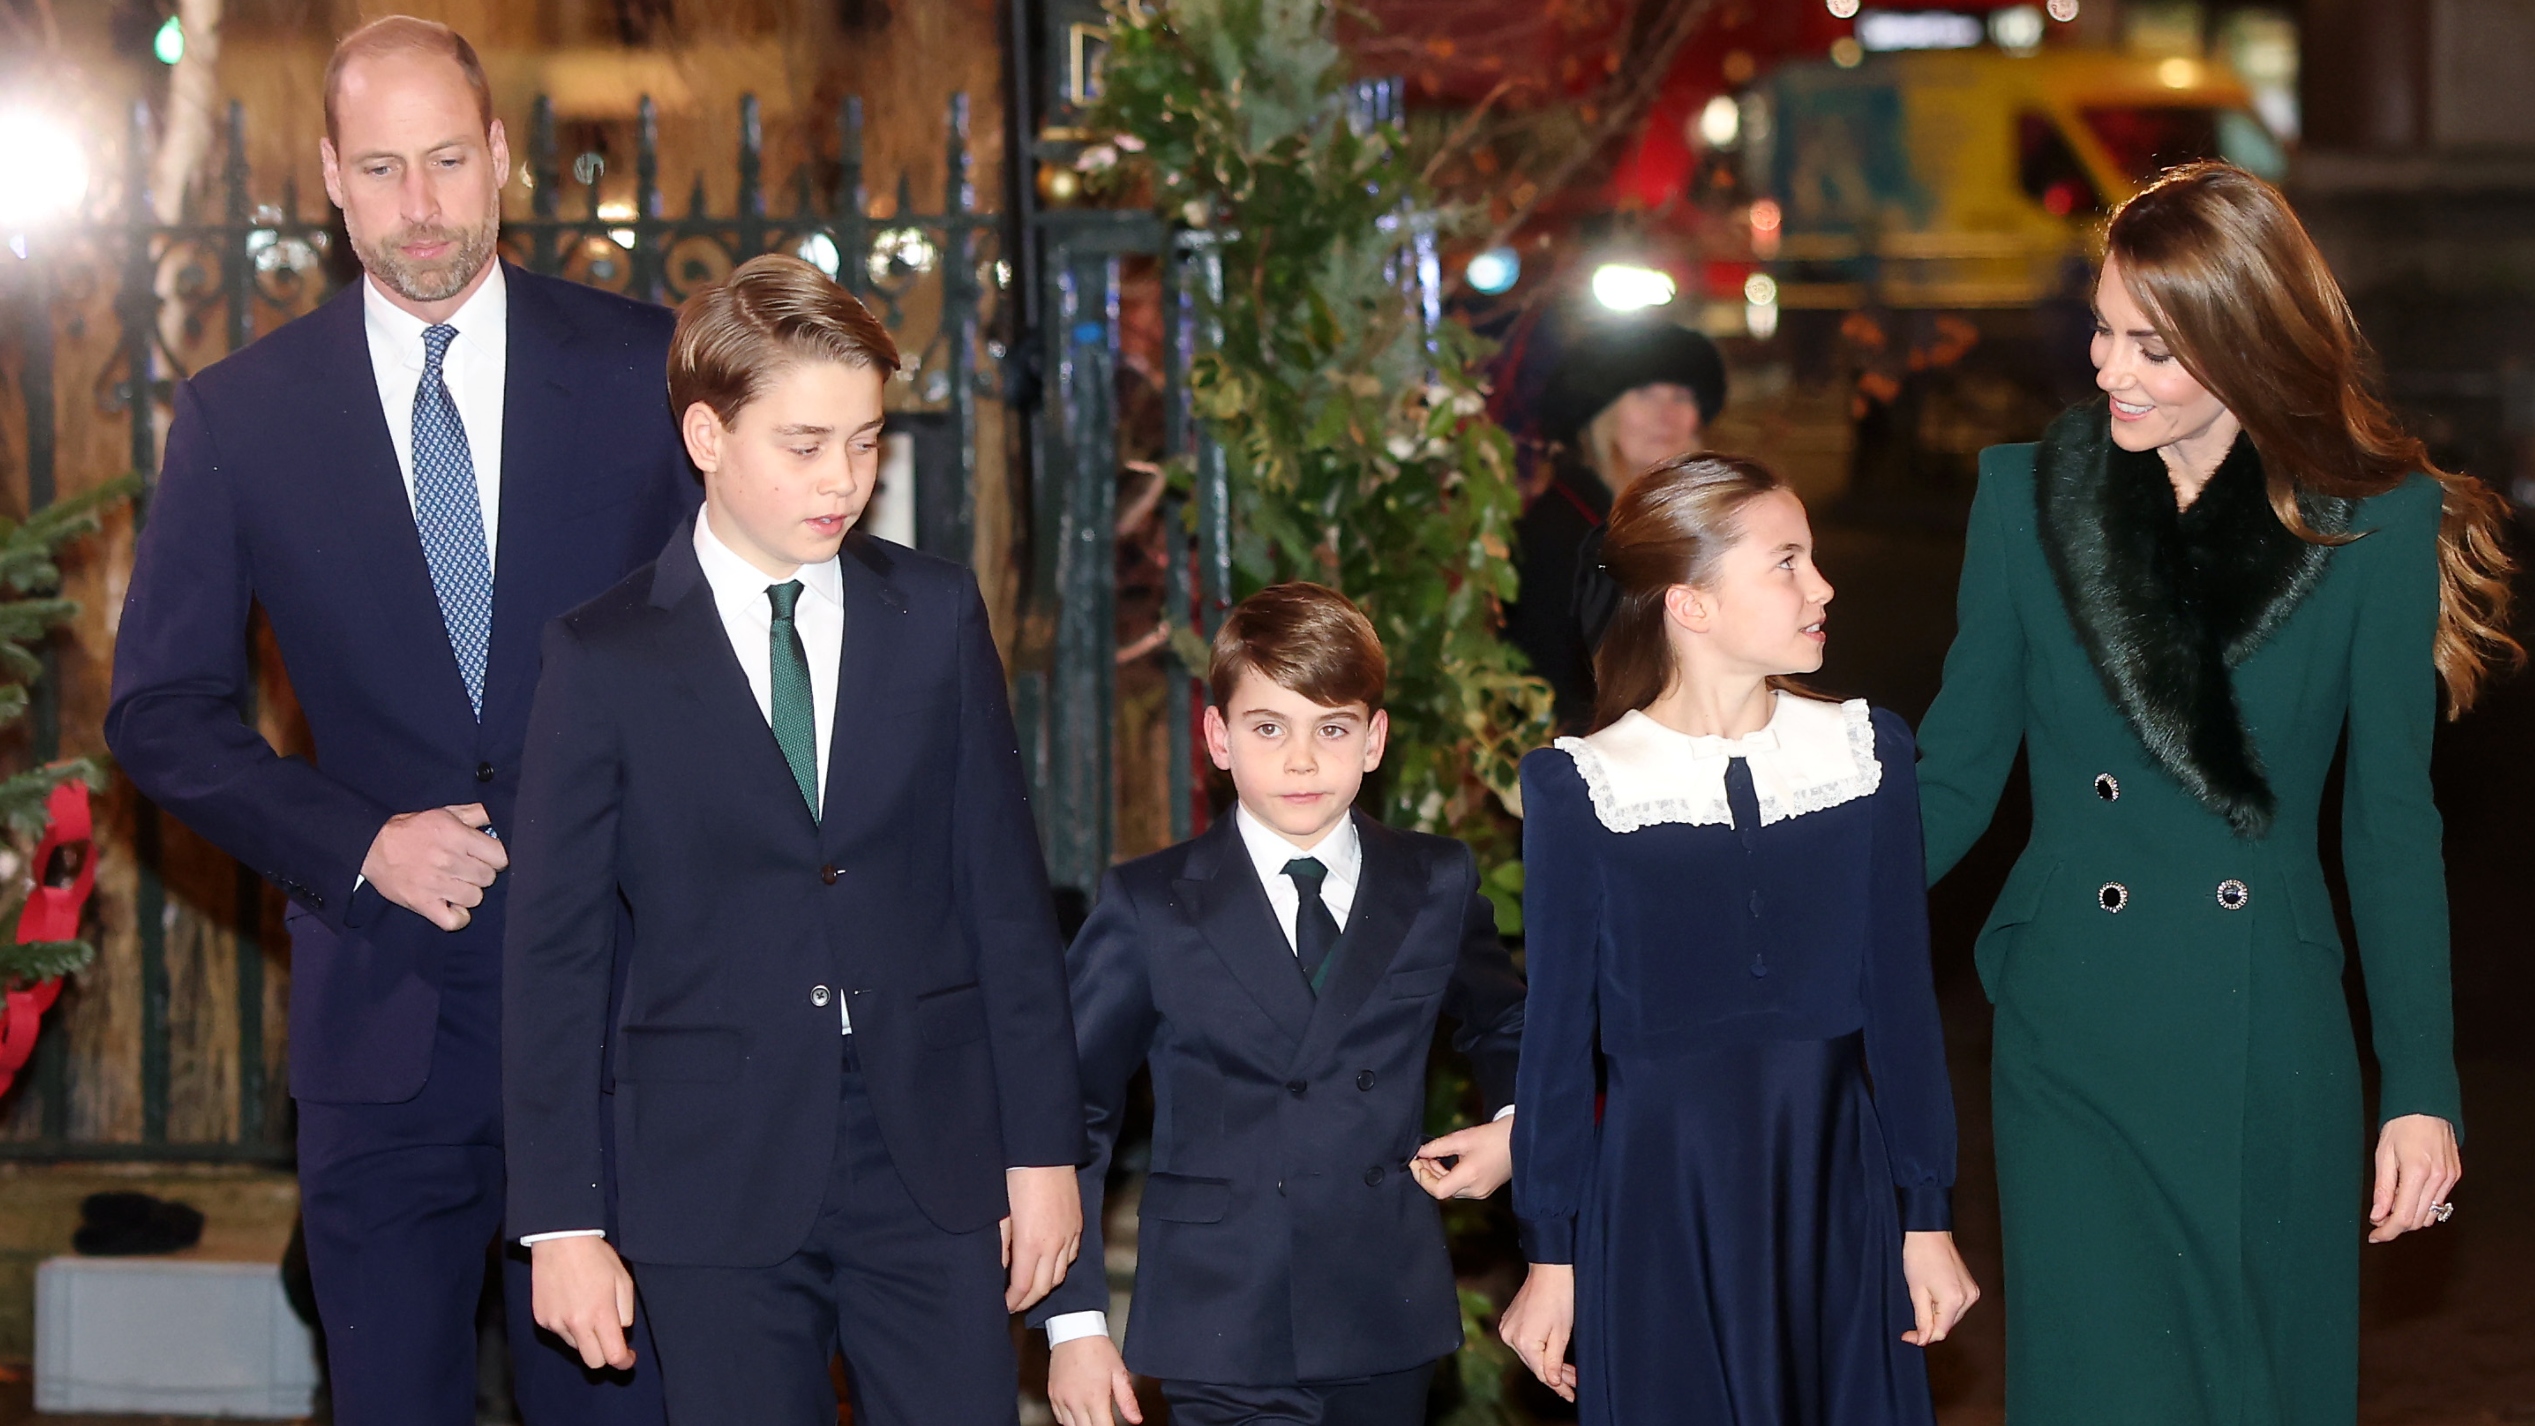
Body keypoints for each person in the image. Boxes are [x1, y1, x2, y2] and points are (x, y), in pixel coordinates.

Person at [103, 18, 692, 1424]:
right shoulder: (241, 417)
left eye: (445, 159)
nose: (420, 205)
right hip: (383, 1022)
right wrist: (360, 840)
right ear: (332, 180)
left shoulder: (645, 370)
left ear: (499, 156)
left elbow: (733, 661)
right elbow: (158, 709)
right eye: (382, 168)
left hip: (621, 1013)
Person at [1914, 162, 2512, 1426]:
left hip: (2269, 1031)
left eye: (2153, 347)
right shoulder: (2027, 502)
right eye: (2103, 330)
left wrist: (2419, 1082)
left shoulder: (2376, 523)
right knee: (2096, 1388)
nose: (2109, 370)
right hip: (2070, 1023)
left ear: (2245, 347)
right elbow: (1955, 777)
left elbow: (2390, 824)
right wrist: (1768, 894)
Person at [501, 254, 1085, 1426]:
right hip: (709, 1163)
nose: (846, 480)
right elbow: (554, 952)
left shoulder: (934, 614)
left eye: (867, 442)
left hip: (931, 1150)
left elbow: (1003, 897)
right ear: (707, 436)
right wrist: (562, 1219)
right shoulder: (602, 655)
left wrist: (1044, 1147)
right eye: (806, 445)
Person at [1497, 454, 1976, 1425]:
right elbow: (1554, 1041)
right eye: (1787, 562)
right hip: (1657, 1199)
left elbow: (1900, 1000)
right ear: (1692, 604)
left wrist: (1927, 1215)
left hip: (1833, 1184)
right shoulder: (1580, 785)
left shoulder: (1863, 749)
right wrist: (1551, 1253)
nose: (1823, 586)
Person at [1034, 582, 1528, 1426]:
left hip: (1382, 1304)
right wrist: (1073, 1324)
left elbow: (1508, 1021)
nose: (1301, 761)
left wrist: (1516, 1124)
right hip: (1219, 1315)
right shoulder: (1149, 904)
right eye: (1269, 728)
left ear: (1372, 740)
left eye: (1330, 729)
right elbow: (1065, 1108)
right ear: (1218, 739)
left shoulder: (1431, 881)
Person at [1504, 319, 1726, 729]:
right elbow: (1549, 682)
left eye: (1681, 395)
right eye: (1644, 394)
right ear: (1601, 414)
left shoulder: (1703, 522)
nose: (1667, 414)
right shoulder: (1562, 531)